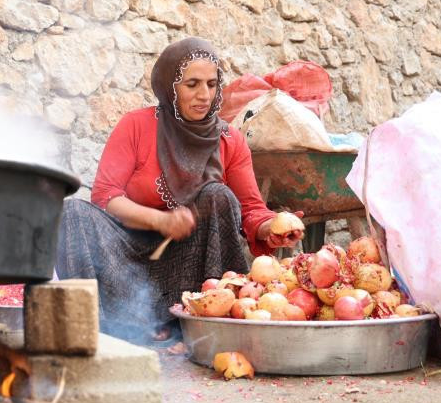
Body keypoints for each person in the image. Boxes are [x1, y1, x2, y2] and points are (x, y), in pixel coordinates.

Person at [56, 37, 303, 344]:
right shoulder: (136, 125)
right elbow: (106, 196)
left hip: (189, 257)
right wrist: (159, 221)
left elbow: (251, 208)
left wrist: (271, 228)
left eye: (212, 84)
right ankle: (106, 330)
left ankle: (204, 324)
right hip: (127, 252)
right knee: (72, 212)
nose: (204, 95)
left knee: (218, 196)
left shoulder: (230, 141)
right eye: (192, 84)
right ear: (169, 87)